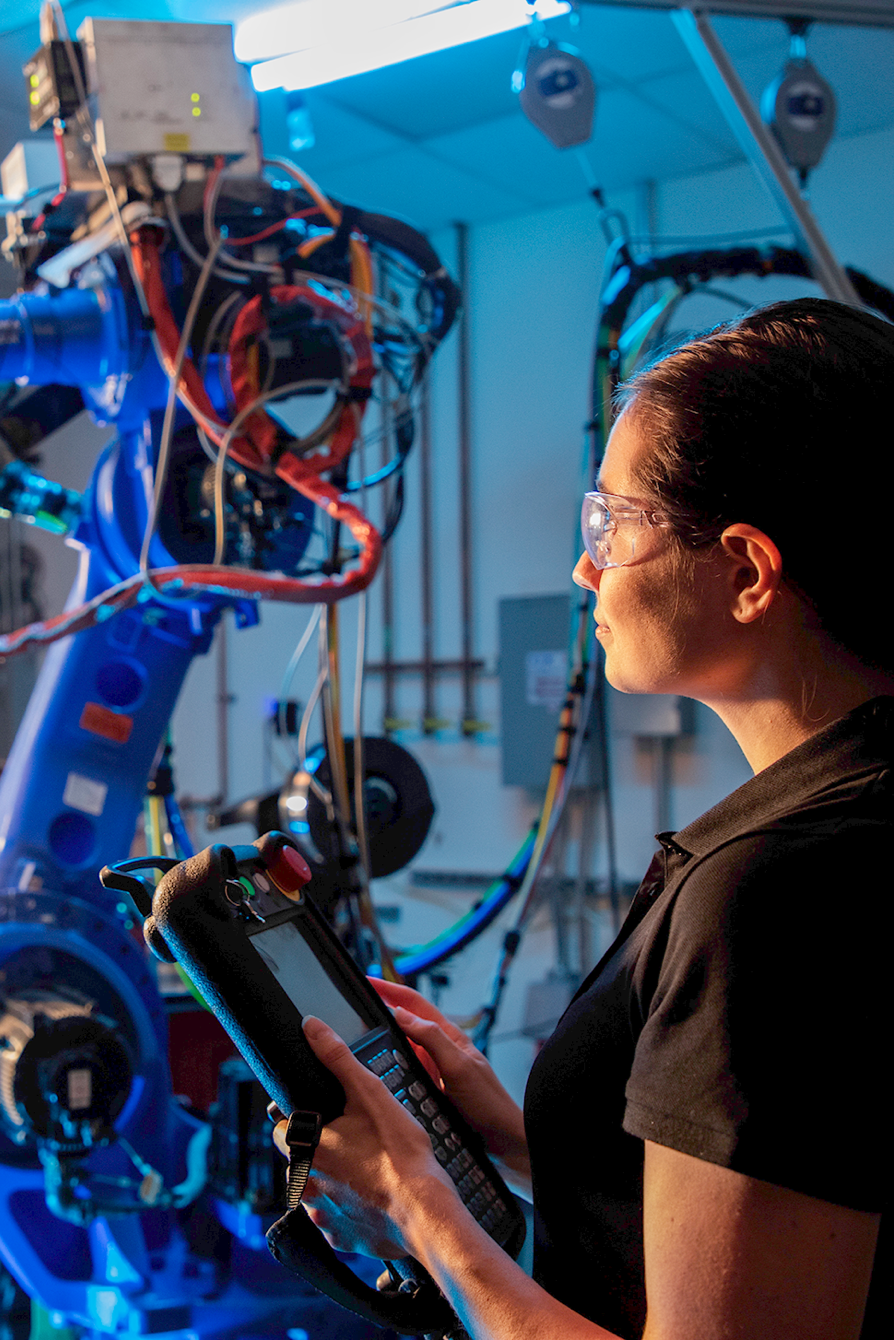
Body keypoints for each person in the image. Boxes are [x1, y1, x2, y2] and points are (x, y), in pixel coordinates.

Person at [276, 297, 889, 1339]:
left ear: (744, 570)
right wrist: (522, 1135)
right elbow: (792, 1184)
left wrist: (415, 1199)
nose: (584, 566)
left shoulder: (774, 891)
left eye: (611, 522)